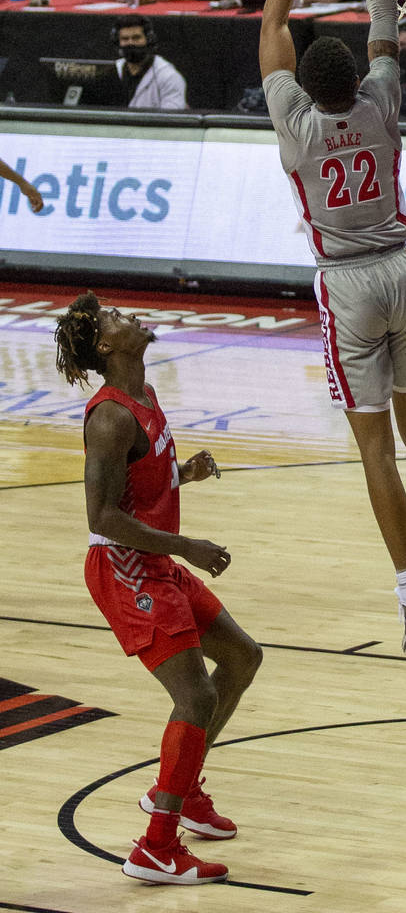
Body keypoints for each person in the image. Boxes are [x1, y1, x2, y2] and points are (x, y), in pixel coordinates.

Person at [259, 0, 406, 656]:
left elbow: (272, 22)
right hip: (403, 271)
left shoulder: (298, 130)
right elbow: (383, 23)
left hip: (347, 284)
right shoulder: (380, 103)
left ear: (305, 91)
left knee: (374, 449)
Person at [53, 291, 262, 886]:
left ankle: (184, 787)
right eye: (114, 317)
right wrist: (187, 545)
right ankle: (156, 846)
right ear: (106, 345)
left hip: (155, 562)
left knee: (243, 657)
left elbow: (134, 486)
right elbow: (101, 516)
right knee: (194, 697)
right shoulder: (111, 415)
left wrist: (179, 473)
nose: (128, 316)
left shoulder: (144, 394)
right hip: (125, 568)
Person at [111, 14, 188, 110]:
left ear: (149, 40)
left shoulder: (168, 76)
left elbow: (172, 119)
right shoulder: (113, 70)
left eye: (136, 38)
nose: (130, 43)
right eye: (125, 39)